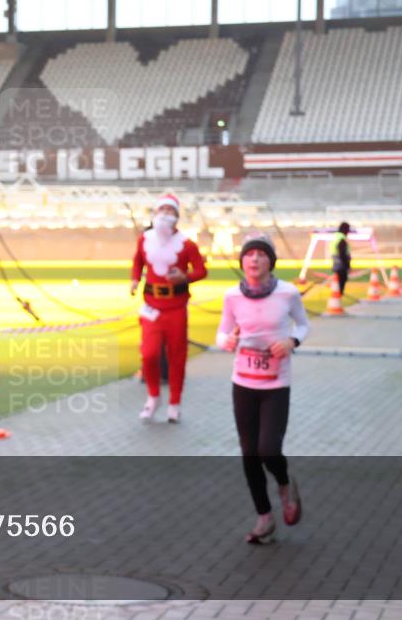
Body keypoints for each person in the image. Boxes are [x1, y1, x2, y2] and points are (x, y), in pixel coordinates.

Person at [216, 233, 309, 544]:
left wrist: (291, 342)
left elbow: (304, 325)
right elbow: (222, 332)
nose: (254, 259)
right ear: (242, 261)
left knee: (268, 449)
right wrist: (226, 341)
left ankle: (284, 484)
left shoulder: (287, 293)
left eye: (261, 254)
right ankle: (264, 517)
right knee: (249, 454)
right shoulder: (232, 296)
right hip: (243, 382)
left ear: (271, 261)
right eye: (249, 254)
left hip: (276, 383)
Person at [130, 194, 207, 424]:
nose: (165, 215)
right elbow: (137, 262)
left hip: (176, 307)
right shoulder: (144, 239)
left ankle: (175, 402)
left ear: (177, 216)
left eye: (170, 211)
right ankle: (153, 397)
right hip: (152, 305)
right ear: (154, 214)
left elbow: (202, 271)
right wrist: (135, 279)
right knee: (149, 354)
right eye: (161, 210)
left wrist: (185, 277)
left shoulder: (187, 244)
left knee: (176, 356)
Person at [332, 221, 351, 295]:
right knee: (341, 281)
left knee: (337, 281)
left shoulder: (336, 236)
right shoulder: (341, 238)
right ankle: (339, 294)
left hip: (336, 263)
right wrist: (347, 264)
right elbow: (342, 252)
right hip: (341, 265)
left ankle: (338, 294)